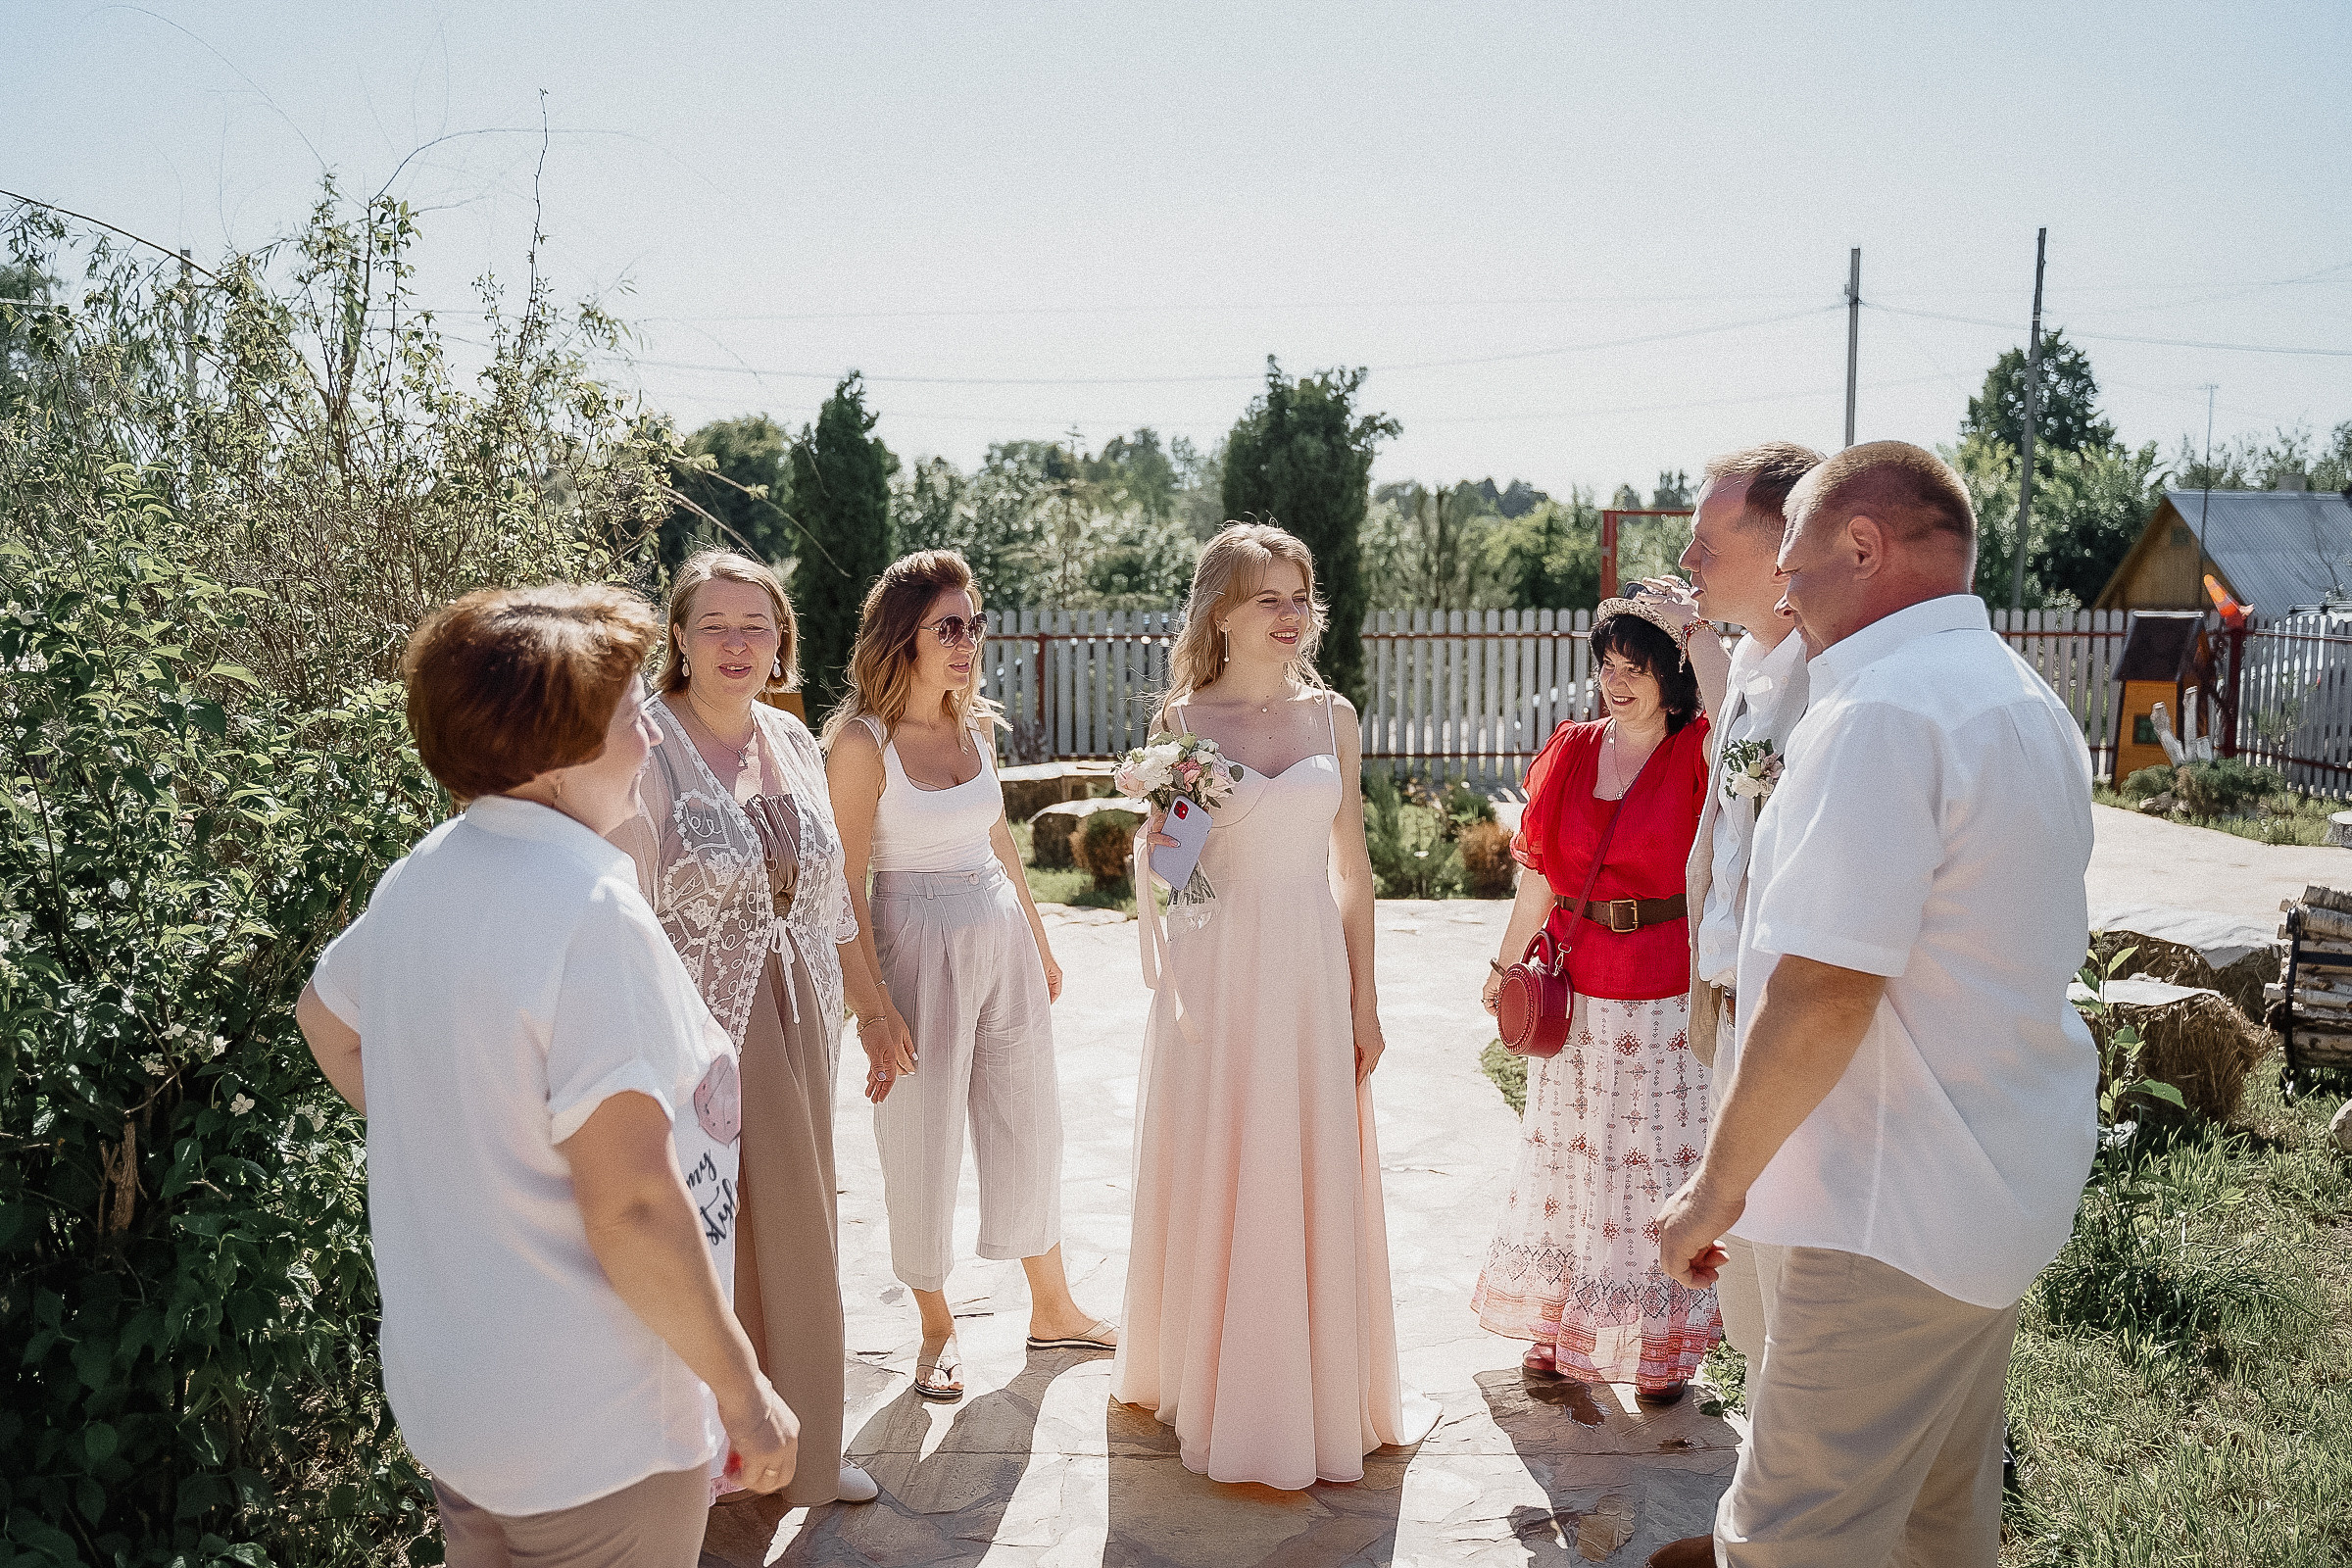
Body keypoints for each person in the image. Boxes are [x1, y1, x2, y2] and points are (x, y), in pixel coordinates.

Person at [1657, 441, 2098, 1567]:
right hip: (1989, 1186)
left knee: (1791, 1541)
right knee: (1937, 1532)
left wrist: (1713, 1190)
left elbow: (1822, 995)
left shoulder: (1881, 712)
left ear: (1864, 546)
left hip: (1884, 1209)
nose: (1786, 590)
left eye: (1796, 562)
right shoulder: (2019, 695)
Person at [294, 585, 797, 1567]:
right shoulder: (590, 908)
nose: (650, 741)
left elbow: (326, 1021)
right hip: (594, 1427)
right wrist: (745, 1393)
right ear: (555, 746)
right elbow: (637, 1210)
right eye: (628, 719)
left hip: (457, 1406)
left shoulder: (424, 874)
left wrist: (473, 1140)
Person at [1112, 521, 1434, 1490]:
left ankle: (1321, 1389)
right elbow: (1176, 871)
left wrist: (1363, 999)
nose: (1292, 615)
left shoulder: (1330, 714)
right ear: (1223, 610)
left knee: (1308, 1161)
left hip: (1308, 966)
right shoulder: (1184, 721)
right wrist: (1155, 816)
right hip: (1221, 969)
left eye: (1301, 595)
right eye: (1270, 598)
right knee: (1228, 1155)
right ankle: (1219, 1381)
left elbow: (1353, 870)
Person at [611, 550, 874, 1508]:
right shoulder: (643, 742)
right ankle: (702, 1459)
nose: (736, 643)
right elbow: (619, 898)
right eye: (714, 624)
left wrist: (872, 1010)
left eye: (755, 626)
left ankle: (807, 1446)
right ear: (677, 636)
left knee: (801, 1232)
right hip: (694, 1023)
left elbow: (831, 895)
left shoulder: (792, 740)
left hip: (797, 1017)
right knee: (709, 1228)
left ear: (781, 641)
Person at [825, 550, 1109, 1405]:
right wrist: (871, 1007)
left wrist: (1039, 937)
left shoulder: (975, 724)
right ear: (903, 635)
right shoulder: (860, 741)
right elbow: (844, 881)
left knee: (1032, 1122)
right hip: (914, 943)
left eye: (974, 626)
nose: (966, 643)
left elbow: (997, 841)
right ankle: (936, 1325)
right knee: (922, 1137)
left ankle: (1052, 1305)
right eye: (948, 627)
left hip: (1000, 938)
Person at [1636, 444, 1822, 1568]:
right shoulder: (1757, 660)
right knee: (1748, 1283)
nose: (1690, 555)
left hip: (1789, 1008)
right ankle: (1766, 1502)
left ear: (1786, 541)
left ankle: (1790, 1531)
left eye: (1711, 538)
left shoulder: (1834, 674)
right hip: (1727, 996)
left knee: (1798, 1275)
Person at [1472, 598, 1719, 1402]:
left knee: (1654, 1160)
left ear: (1670, 678)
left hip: (1662, 988)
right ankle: (1557, 1319)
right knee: (1568, 1155)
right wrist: (1505, 964)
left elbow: (1747, 725)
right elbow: (1539, 872)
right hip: (1574, 990)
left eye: (1636, 669)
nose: (1616, 683)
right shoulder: (1573, 752)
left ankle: (1661, 1345)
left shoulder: (1699, 754)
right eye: (1607, 667)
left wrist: (1700, 631)